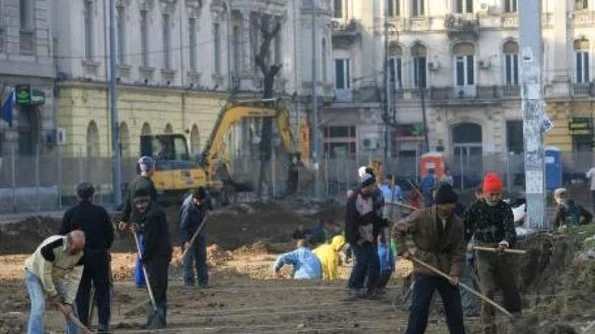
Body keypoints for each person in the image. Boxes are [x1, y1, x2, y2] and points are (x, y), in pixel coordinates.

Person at [393, 183, 466, 334]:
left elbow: (458, 251)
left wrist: (455, 273)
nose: (451, 208)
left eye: (453, 204)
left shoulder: (457, 224)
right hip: (425, 267)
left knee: (455, 311)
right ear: (439, 205)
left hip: (447, 271)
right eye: (448, 205)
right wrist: (404, 251)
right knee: (419, 309)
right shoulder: (421, 216)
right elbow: (398, 229)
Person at [464, 173, 521, 334]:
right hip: (482, 252)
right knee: (488, 289)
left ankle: (517, 318)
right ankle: (488, 326)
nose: (495, 197)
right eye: (492, 194)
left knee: (509, 287)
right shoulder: (475, 208)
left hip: (502, 252)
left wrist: (505, 242)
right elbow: (466, 229)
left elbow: (510, 231)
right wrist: (466, 243)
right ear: (485, 192)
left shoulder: (504, 209)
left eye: (498, 194)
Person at [59, 183, 115, 332]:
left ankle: (83, 323)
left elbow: (63, 238)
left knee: (81, 292)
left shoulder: (70, 213)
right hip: (99, 257)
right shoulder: (101, 212)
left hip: (79, 259)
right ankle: (103, 324)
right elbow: (110, 235)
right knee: (102, 291)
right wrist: (104, 248)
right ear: (92, 195)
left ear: (77, 195)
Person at [24, 230, 86, 334]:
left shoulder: (81, 255)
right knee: (39, 305)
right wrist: (54, 294)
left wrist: (68, 302)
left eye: (80, 250)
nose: (77, 252)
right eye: (75, 249)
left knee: (71, 307)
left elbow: (75, 279)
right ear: (68, 242)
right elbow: (45, 274)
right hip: (35, 274)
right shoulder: (51, 247)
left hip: (55, 276)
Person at [130, 188, 173, 329]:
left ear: (148, 201)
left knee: (157, 287)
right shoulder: (152, 213)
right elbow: (148, 229)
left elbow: (152, 240)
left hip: (158, 256)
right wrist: (140, 228)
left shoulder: (153, 215)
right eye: (138, 203)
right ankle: (156, 318)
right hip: (158, 254)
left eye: (143, 203)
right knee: (156, 287)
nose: (140, 206)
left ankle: (157, 319)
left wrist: (145, 257)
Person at [119, 156, 158, 289]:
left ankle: (141, 279)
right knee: (146, 251)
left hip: (136, 222)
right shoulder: (148, 184)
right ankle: (142, 280)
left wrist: (124, 219)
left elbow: (127, 203)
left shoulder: (133, 183)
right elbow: (153, 205)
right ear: (151, 168)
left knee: (142, 250)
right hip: (146, 222)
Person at [345, 173, 384, 298]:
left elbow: (372, 217)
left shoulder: (371, 198)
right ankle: (355, 286)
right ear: (366, 185)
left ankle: (370, 289)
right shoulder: (354, 199)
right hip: (357, 237)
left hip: (368, 236)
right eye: (373, 186)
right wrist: (356, 238)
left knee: (374, 262)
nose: (374, 188)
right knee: (362, 262)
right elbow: (351, 222)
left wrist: (383, 223)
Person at [179, 187, 213, 289]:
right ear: (193, 198)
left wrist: (209, 210)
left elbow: (209, 205)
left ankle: (203, 282)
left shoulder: (206, 196)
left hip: (200, 230)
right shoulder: (187, 207)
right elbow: (183, 226)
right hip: (188, 232)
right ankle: (189, 282)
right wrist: (185, 241)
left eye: (201, 201)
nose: (199, 203)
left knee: (201, 256)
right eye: (197, 201)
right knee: (188, 259)